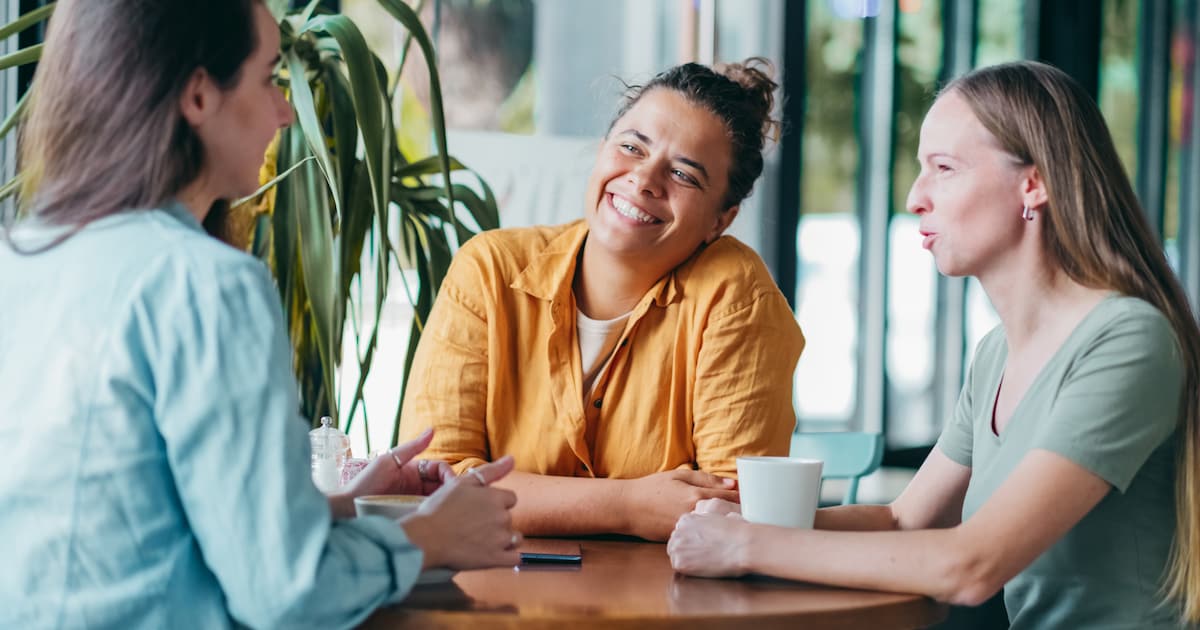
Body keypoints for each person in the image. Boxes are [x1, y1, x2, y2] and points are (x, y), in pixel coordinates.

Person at [0, 2, 521, 628]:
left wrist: (336, 509)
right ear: (198, 96)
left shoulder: (22, 257)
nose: (283, 109)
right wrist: (428, 539)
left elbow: (116, 521)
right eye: (269, 77)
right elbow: (287, 592)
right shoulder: (204, 285)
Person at [667, 60, 1200, 628]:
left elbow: (971, 566)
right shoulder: (997, 353)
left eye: (943, 168)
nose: (916, 196)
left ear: (1034, 182)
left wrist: (747, 546)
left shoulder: (1129, 339)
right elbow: (904, 520)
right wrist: (740, 520)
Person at [397, 59, 805, 541]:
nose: (645, 180)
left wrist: (511, 494)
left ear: (721, 220)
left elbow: (726, 518)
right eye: (631, 147)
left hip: (666, 606)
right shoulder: (488, 270)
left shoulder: (735, 297)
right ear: (602, 149)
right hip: (489, 598)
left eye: (684, 174)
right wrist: (629, 506)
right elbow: (432, 485)